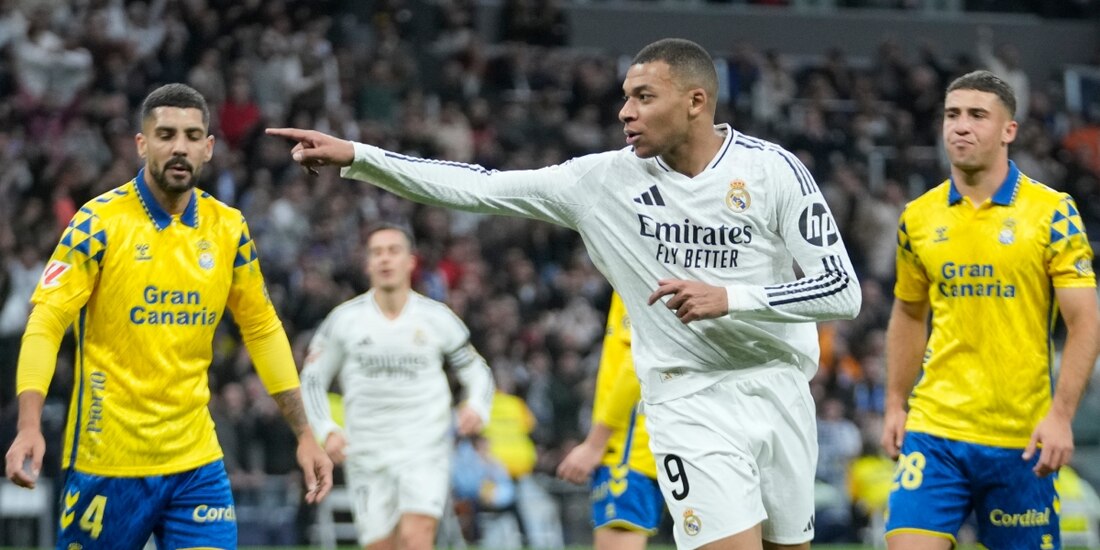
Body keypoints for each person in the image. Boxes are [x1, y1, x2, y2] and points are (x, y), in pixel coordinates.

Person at [270, 37, 862, 550]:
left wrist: (730, 297)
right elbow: (482, 187)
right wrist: (362, 157)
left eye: (644, 98)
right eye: (625, 97)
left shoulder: (772, 172)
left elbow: (842, 292)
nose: (625, 112)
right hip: (689, 398)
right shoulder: (600, 181)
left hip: (781, 389)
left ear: (696, 102)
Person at [3, 83, 333, 549]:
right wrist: (29, 425)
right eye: (166, 134)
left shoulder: (229, 230)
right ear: (142, 144)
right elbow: (45, 321)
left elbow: (262, 329)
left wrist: (305, 433)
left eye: (192, 135)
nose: (179, 146)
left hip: (195, 462)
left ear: (209, 148)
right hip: (107, 462)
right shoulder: (97, 223)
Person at [881, 70, 1100, 550]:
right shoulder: (917, 217)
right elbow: (908, 313)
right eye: (952, 114)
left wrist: (1062, 415)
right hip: (935, 432)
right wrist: (896, 402)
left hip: (1021, 439)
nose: (961, 126)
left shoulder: (1053, 212)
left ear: (1008, 130)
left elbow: (1085, 322)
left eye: (978, 115)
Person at [300, 223, 494, 550]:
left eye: (393, 251)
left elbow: (477, 369)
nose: (385, 259)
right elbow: (313, 378)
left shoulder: (437, 318)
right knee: (381, 546)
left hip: (425, 447)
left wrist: (477, 404)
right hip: (366, 449)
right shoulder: (345, 320)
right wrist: (326, 429)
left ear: (411, 261)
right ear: (367, 264)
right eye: (377, 253)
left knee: (416, 539)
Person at [558, 290, 664, 550]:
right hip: (666, 437)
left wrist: (595, 443)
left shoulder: (636, 273)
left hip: (630, 450)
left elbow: (636, 362)